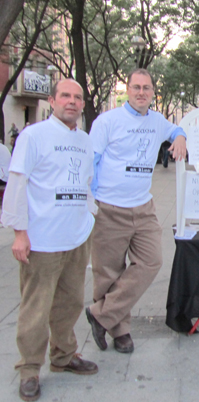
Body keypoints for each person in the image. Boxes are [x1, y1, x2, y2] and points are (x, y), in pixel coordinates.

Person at [1, 78, 98, 402]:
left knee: (69, 303)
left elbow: (85, 183)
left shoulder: (84, 141)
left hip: (75, 238)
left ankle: (63, 356)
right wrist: (19, 232)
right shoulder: (33, 136)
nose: (71, 101)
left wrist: (90, 219)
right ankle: (29, 369)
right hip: (41, 240)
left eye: (77, 97)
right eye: (65, 96)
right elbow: (17, 183)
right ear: (52, 100)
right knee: (35, 309)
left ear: (82, 104)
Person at [85, 68, 187, 354]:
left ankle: (100, 315)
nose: (141, 92)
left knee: (151, 261)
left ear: (153, 92)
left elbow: (175, 130)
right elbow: (90, 161)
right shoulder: (107, 121)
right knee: (108, 273)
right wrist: (89, 203)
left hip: (143, 208)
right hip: (109, 208)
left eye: (147, 88)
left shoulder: (156, 121)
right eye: (136, 87)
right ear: (127, 90)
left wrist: (180, 136)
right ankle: (121, 332)